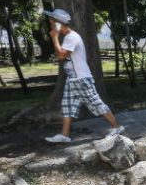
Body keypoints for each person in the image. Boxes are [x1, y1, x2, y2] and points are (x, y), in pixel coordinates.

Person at [43, 9, 124, 143]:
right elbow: (62, 55)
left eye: (52, 22)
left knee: (96, 103)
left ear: (58, 24)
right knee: (67, 107)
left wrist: (54, 37)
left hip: (81, 79)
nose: (50, 24)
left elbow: (61, 56)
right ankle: (64, 136)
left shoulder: (71, 37)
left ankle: (117, 127)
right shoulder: (69, 37)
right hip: (72, 80)